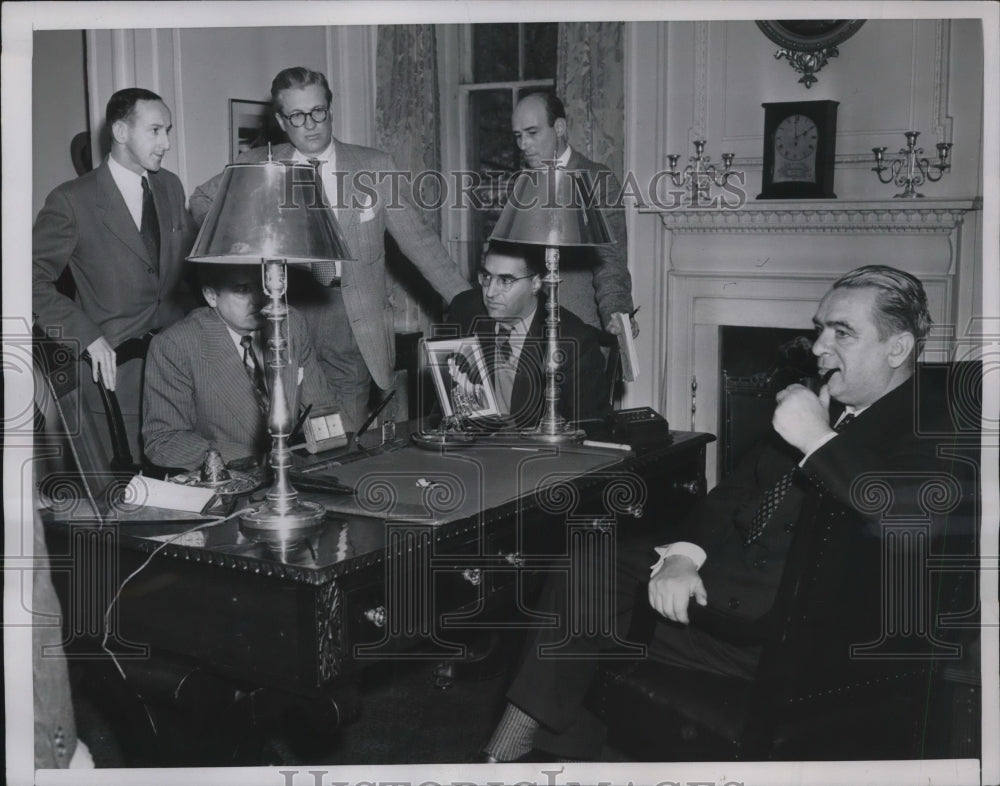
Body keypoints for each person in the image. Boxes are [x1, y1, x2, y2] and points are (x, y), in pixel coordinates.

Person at [481, 265, 969, 761]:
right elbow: (734, 491)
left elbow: (910, 518)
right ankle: (534, 756)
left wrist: (815, 439)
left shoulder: (935, 422)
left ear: (898, 348)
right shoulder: (832, 403)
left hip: (785, 634)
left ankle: (510, 759)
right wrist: (684, 555)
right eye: (820, 327)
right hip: (728, 582)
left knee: (579, 622)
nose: (820, 347)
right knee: (586, 565)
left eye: (842, 333)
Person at [190, 67, 472, 432]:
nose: (310, 124)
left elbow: (419, 240)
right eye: (297, 115)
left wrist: (464, 298)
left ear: (330, 108)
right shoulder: (257, 165)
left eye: (318, 111)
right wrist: (246, 250)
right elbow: (201, 200)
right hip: (284, 315)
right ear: (281, 120)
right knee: (285, 429)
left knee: (343, 436)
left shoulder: (373, 166)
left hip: (352, 323)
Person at [33, 87, 197, 461]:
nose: (167, 142)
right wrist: (86, 336)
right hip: (111, 384)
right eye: (156, 130)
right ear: (121, 133)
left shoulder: (170, 186)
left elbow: (186, 270)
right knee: (124, 505)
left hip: (177, 378)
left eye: (168, 130)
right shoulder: (72, 200)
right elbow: (25, 281)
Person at [142, 264, 336, 470]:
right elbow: (164, 440)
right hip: (226, 479)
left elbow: (322, 410)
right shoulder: (176, 345)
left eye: (263, 287)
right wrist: (256, 458)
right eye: (243, 289)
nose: (258, 300)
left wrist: (337, 456)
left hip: (293, 474)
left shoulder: (290, 325)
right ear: (210, 295)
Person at [511, 91, 635, 337]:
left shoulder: (597, 180)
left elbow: (610, 262)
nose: (523, 145)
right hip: (528, 338)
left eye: (532, 133)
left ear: (559, 127)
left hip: (579, 337)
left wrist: (616, 313)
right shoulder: (521, 185)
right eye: (518, 136)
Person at [447, 241, 609, 428]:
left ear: (535, 283)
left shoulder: (575, 342)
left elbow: (589, 429)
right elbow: (446, 400)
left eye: (505, 280)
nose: (490, 292)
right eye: (486, 276)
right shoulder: (464, 309)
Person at [445, 351, 489, 417]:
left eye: (451, 367)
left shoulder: (481, 390)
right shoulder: (454, 393)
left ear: (461, 367)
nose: (449, 371)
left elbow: (490, 414)